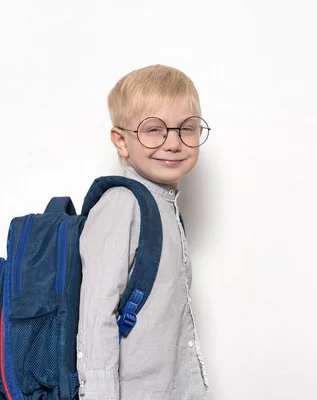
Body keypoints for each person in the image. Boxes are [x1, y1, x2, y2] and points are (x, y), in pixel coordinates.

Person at [76, 64, 211, 400]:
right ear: (121, 141)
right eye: (154, 130)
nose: (174, 143)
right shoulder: (122, 203)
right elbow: (96, 318)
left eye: (187, 128)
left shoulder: (164, 205)